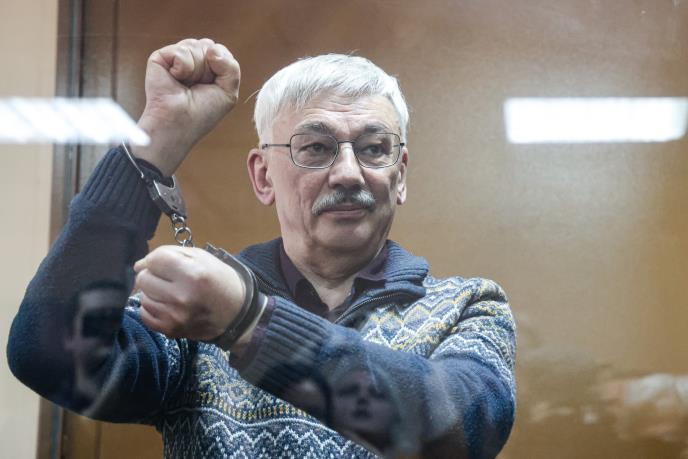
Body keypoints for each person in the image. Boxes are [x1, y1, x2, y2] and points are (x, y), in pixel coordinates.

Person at [7, 38, 516, 458]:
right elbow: (47, 355)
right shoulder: (196, 315)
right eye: (315, 147)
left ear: (399, 176)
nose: (348, 172)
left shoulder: (468, 306)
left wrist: (249, 321)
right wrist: (155, 143)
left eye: (373, 148)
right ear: (263, 176)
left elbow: (458, 432)